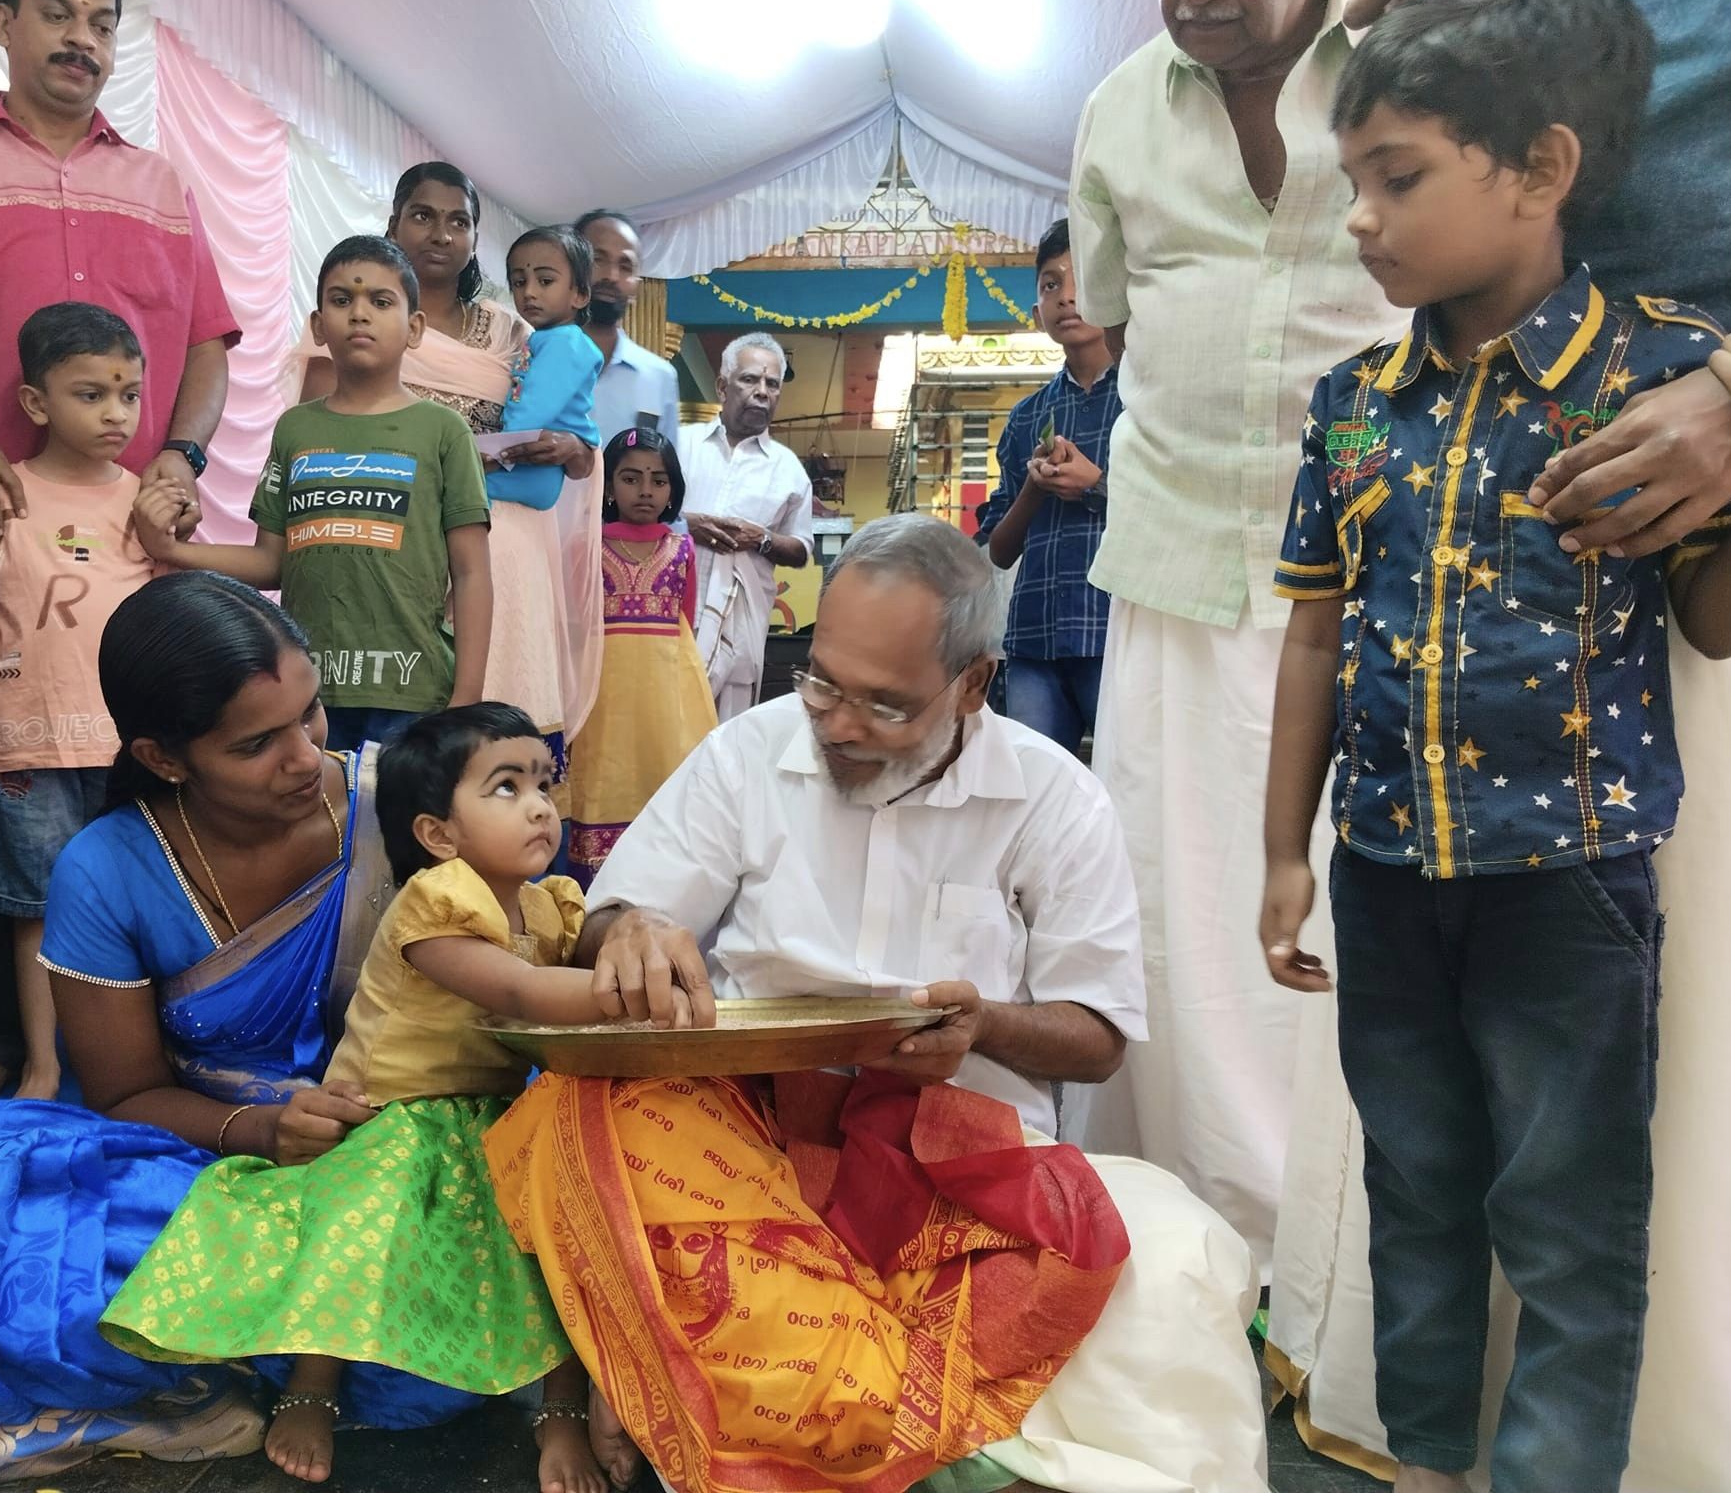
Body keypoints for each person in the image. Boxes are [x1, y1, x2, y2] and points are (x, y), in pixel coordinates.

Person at [491, 514, 1272, 1493]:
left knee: (1162, 1277)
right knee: (573, 1114)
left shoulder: (1053, 800)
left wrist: (980, 1025)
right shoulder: (748, 753)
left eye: (884, 705)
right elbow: (607, 925)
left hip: (954, 1154)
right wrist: (636, 929)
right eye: (819, 681)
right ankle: (677, 1387)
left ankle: (738, 1412)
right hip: (742, 1134)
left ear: (974, 685)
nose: (838, 724)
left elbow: (1096, 1036)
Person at [1261, 0, 1731, 1491]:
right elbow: (1316, 631)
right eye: (1354, 183)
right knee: (1417, 1192)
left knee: (1570, 1217)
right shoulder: (1352, 405)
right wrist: (1286, 852)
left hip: (1572, 884)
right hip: (1387, 874)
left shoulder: (1656, 375)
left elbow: (1711, 620)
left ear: (1540, 170)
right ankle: (1423, 1463)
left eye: (1398, 179)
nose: (1360, 221)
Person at [0, 574, 482, 1490]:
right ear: (164, 756)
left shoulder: (400, 808)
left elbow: (550, 918)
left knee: (429, 1301)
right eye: (257, 744)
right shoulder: (105, 869)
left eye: (312, 714)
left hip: (401, 1164)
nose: (306, 758)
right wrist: (264, 1132)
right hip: (207, 1164)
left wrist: (624, 931)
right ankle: (218, 1371)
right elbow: (128, 1096)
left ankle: (221, 1363)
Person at [103, 703, 708, 1487]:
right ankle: (311, 1388)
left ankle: (561, 1412)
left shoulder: (548, 902)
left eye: (544, 785)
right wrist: (636, 990)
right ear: (438, 835)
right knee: (363, 1220)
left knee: (562, 1234)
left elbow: (569, 954)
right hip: (393, 1114)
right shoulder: (435, 903)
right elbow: (520, 991)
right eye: (504, 787)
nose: (537, 806)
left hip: (489, 1114)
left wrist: (633, 947)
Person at [1059, 0, 1408, 1269]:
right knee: (1177, 910)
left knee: (1355, 914)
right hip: (1181, 558)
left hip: (1389, 564)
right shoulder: (1117, 107)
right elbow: (1107, 300)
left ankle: (1351, 1262)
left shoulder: (1417, 38)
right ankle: (1205, 1249)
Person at [0, 0, 241, 1115]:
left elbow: (206, 345)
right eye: (57, 12)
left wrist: (178, 461)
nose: (81, 38)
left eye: (101, 21)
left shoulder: (160, 181)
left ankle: (148, 1035)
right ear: (3, 22)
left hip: (131, 555)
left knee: (150, 801)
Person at [133, 236, 492, 753]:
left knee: (396, 829)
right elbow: (271, 562)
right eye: (342, 300)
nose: (359, 314)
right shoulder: (295, 430)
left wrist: (467, 698)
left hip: (414, 692)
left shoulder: (443, 431)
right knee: (317, 826)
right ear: (319, 326)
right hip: (306, 698)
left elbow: (473, 571)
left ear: (414, 329)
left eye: (381, 302)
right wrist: (173, 551)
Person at [0, 303, 158, 1102]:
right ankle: (43, 1063)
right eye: (91, 394)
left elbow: (166, 625)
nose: (116, 413)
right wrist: (3, 692)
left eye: (129, 394)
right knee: (35, 903)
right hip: (27, 749)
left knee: (134, 898)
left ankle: (135, 1060)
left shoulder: (143, 503)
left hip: (127, 746)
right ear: (36, 404)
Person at [383, 161, 605, 805]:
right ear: (393, 222)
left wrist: (574, 448)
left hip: (506, 551)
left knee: (505, 721)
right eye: (423, 216)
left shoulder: (514, 332)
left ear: (476, 237)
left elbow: (578, 446)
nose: (441, 234)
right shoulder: (362, 314)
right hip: (398, 543)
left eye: (459, 221)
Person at [975, 219, 1119, 755]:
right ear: (1037, 313)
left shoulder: (1144, 404)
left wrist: (1095, 486)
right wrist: (1034, 490)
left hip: (1117, 633)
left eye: (1081, 280)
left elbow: (1176, 513)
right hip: (1034, 637)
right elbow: (999, 550)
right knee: (1033, 790)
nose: (1066, 296)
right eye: (1051, 284)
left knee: (1124, 785)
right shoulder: (1026, 417)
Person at [565, 430, 716, 883]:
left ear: (673, 489)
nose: (646, 491)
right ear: (607, 486)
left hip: (669, 701)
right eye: (630, 479)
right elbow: (574, 623)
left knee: (666, 785)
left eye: (659, 480)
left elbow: (683, 624)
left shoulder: (682, 549)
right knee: (600, 778)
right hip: (602, 696)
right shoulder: (585, 545)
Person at [679, 333, 814, 721]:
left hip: (741, 629)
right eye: (750, 379)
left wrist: (763, 539)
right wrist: (690, 525)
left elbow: (802, 550)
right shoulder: (680, 444)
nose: (762, 392)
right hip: (675, 616)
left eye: (772, 384)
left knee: (727, 736)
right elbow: (640, 516)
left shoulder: (787, 468)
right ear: (722, 386)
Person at [489, 224, 604, 511]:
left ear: (580, 294)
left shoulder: (566, 344)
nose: (529, 292)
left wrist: (488, 454)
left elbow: (532, 413)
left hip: (527, 466)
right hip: (524, 464)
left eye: (545, 281)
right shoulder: (546, 338)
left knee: (446, 485)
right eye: (518, 282)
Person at [574, 209, 681, 446]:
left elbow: (664, 476)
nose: (611, 276)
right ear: (572, 266)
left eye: (625, 266)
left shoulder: (659, 377)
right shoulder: (532, 357)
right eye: (597, 259)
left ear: (636, 285)